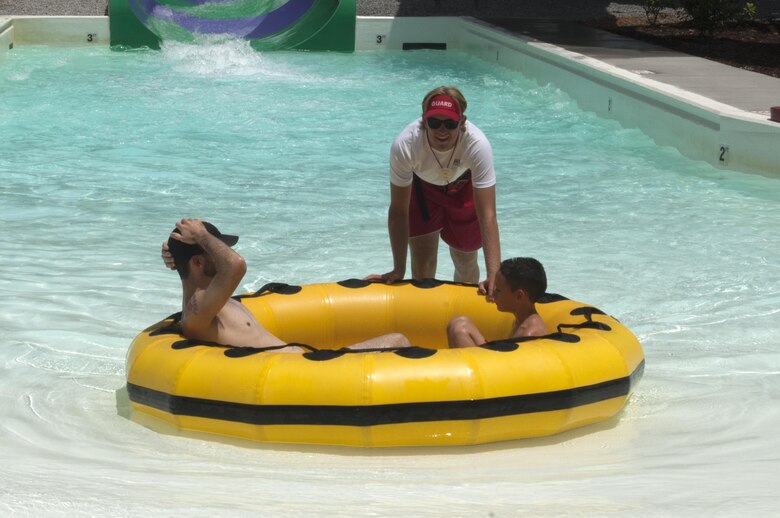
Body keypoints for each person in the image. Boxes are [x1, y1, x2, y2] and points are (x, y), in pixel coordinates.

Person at [162, 218, 410, 352]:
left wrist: (175, 253)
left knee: (397, 339)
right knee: (398, 341)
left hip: (307, 366)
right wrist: (203, 237)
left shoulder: (215, 300)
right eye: (218, 249)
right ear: (197, 261)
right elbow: (236, 265)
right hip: (302, 378)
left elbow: (223, 264)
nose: (228, 252)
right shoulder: (197, 311)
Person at [366, 86, 501, 299]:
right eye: (434, 122)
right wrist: (398, 269)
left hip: (463, 186)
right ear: (423, 120)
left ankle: (464, 319)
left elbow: (488, 214)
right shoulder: (405, 144)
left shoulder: (477, 144)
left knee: (465, 261)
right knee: (422, 268)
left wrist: (495, 275)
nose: (442, 130)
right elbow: (399, 209)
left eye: (450, 123)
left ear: (462, 122)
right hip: (422, 190)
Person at [447, 257, 549, 348]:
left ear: (519, 296)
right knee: (460, 323)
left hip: (501, 368)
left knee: (459, 330)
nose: (493, 294)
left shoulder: (529, 335)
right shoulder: (522, 320)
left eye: (498, 290)